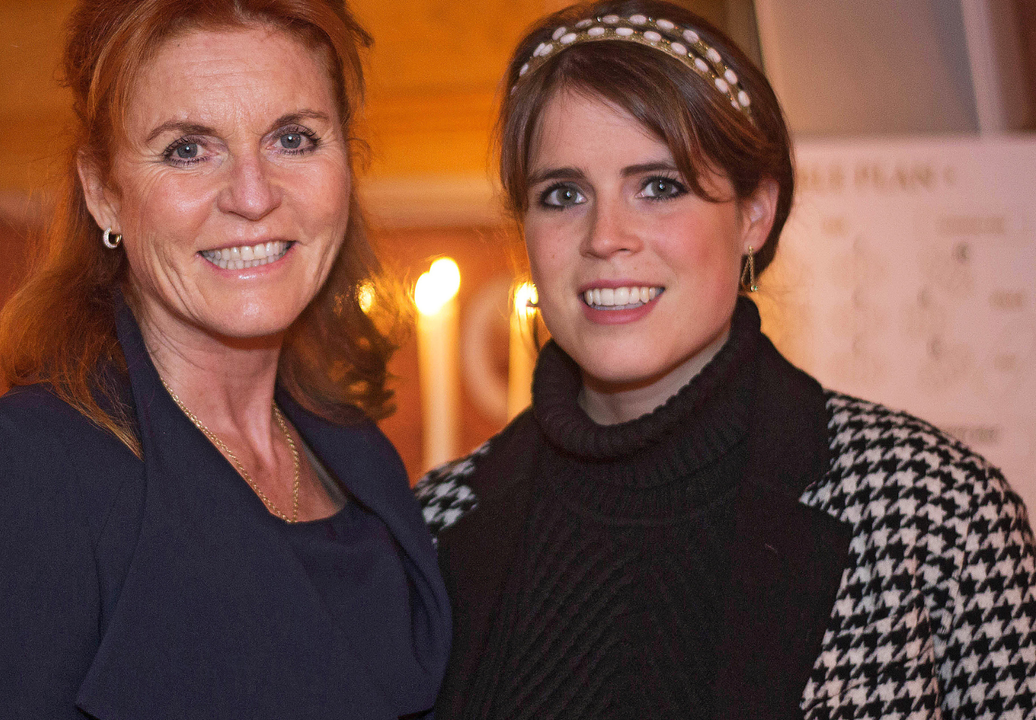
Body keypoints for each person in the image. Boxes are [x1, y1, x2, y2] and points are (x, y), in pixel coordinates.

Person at [415, 2, 1036, 718]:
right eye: (563, 194)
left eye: (659, 186)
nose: (605, 237)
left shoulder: (937, 513)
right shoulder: (432, 531)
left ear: (754, 213)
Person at [0, 1, 450, 717]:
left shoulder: (361, 457)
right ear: (103, 194)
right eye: (188, 149)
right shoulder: (20, 475)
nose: (252, 197)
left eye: (293, 138)